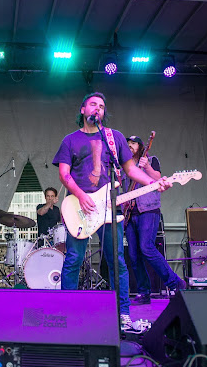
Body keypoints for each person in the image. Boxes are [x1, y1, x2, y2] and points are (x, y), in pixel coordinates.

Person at [53, 92, 171, 331]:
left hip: (109, 208)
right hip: (79, 206)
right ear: (83, 110)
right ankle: (66, 312)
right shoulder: (70, 140)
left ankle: (123, 315)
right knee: (74, 259)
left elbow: (130, 170)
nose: (98, 109)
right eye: (93, 104)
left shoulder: (114, 137)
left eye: (102, 106)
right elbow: (64, 174)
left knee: (117, 261)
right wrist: (82, 195)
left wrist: (153, 183)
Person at [123, 136, 185, 305]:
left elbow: (157, 178)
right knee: (134, 256)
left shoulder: (151, 160)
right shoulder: (124, 166)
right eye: (128, 144)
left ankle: (176, 283)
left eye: (133, 144)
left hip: (148, 210)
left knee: (147, 248)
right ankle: (144, 293)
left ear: (141, 146)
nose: (130, 146)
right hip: (129, 214)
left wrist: (147, 166)